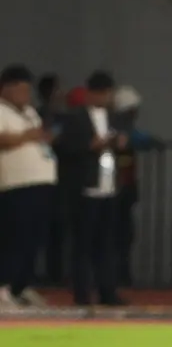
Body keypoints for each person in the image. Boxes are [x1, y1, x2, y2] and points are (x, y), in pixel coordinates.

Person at [58, 71, 125, 306]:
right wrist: (90, 146)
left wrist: (119, 144)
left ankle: (108, 291)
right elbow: (65, 148)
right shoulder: (74, 118)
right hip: (85, 187)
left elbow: (121, 144)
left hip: (108, 185)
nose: (106, 98)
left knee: (107, 244)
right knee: (82, 244)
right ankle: (82, 293)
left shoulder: (114, 118)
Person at [0, 65, 58, 308]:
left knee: (34, 238)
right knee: (14, 237)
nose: (26, 95)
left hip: (40, 183)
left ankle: (21, 286)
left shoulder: (30, 112)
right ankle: (3, 286)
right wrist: (28, 136)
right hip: (15, 185)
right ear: (7, 89)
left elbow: (35, 136)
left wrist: (43, 138)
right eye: (21, 90)